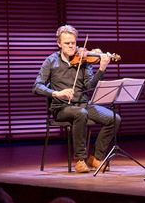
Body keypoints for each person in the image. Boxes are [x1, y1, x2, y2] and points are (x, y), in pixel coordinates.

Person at [34, 25, 121, 173]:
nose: (71, 46)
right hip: (61, 108)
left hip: (83, 104)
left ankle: (95, 157)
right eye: (67, 43)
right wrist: (57, 93)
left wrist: (101, 69)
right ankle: (80, 159)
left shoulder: (83, 60)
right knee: (80, 113)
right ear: (59, 44)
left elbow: (89, 85)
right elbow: (37, 86)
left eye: (73, 43)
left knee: (114, 118)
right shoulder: (51, 61)